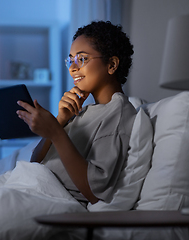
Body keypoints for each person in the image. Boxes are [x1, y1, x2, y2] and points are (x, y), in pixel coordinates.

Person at [16, 21, 136, 206]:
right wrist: (61, 120)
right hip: (30, 190)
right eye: (70, 60)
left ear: (111, 64)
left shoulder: (118, 112)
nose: (72, 68)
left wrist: (56, 132)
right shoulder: (83, 111)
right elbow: (35, 161)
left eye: (82, 59)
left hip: (51, 202)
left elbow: (95, 192)